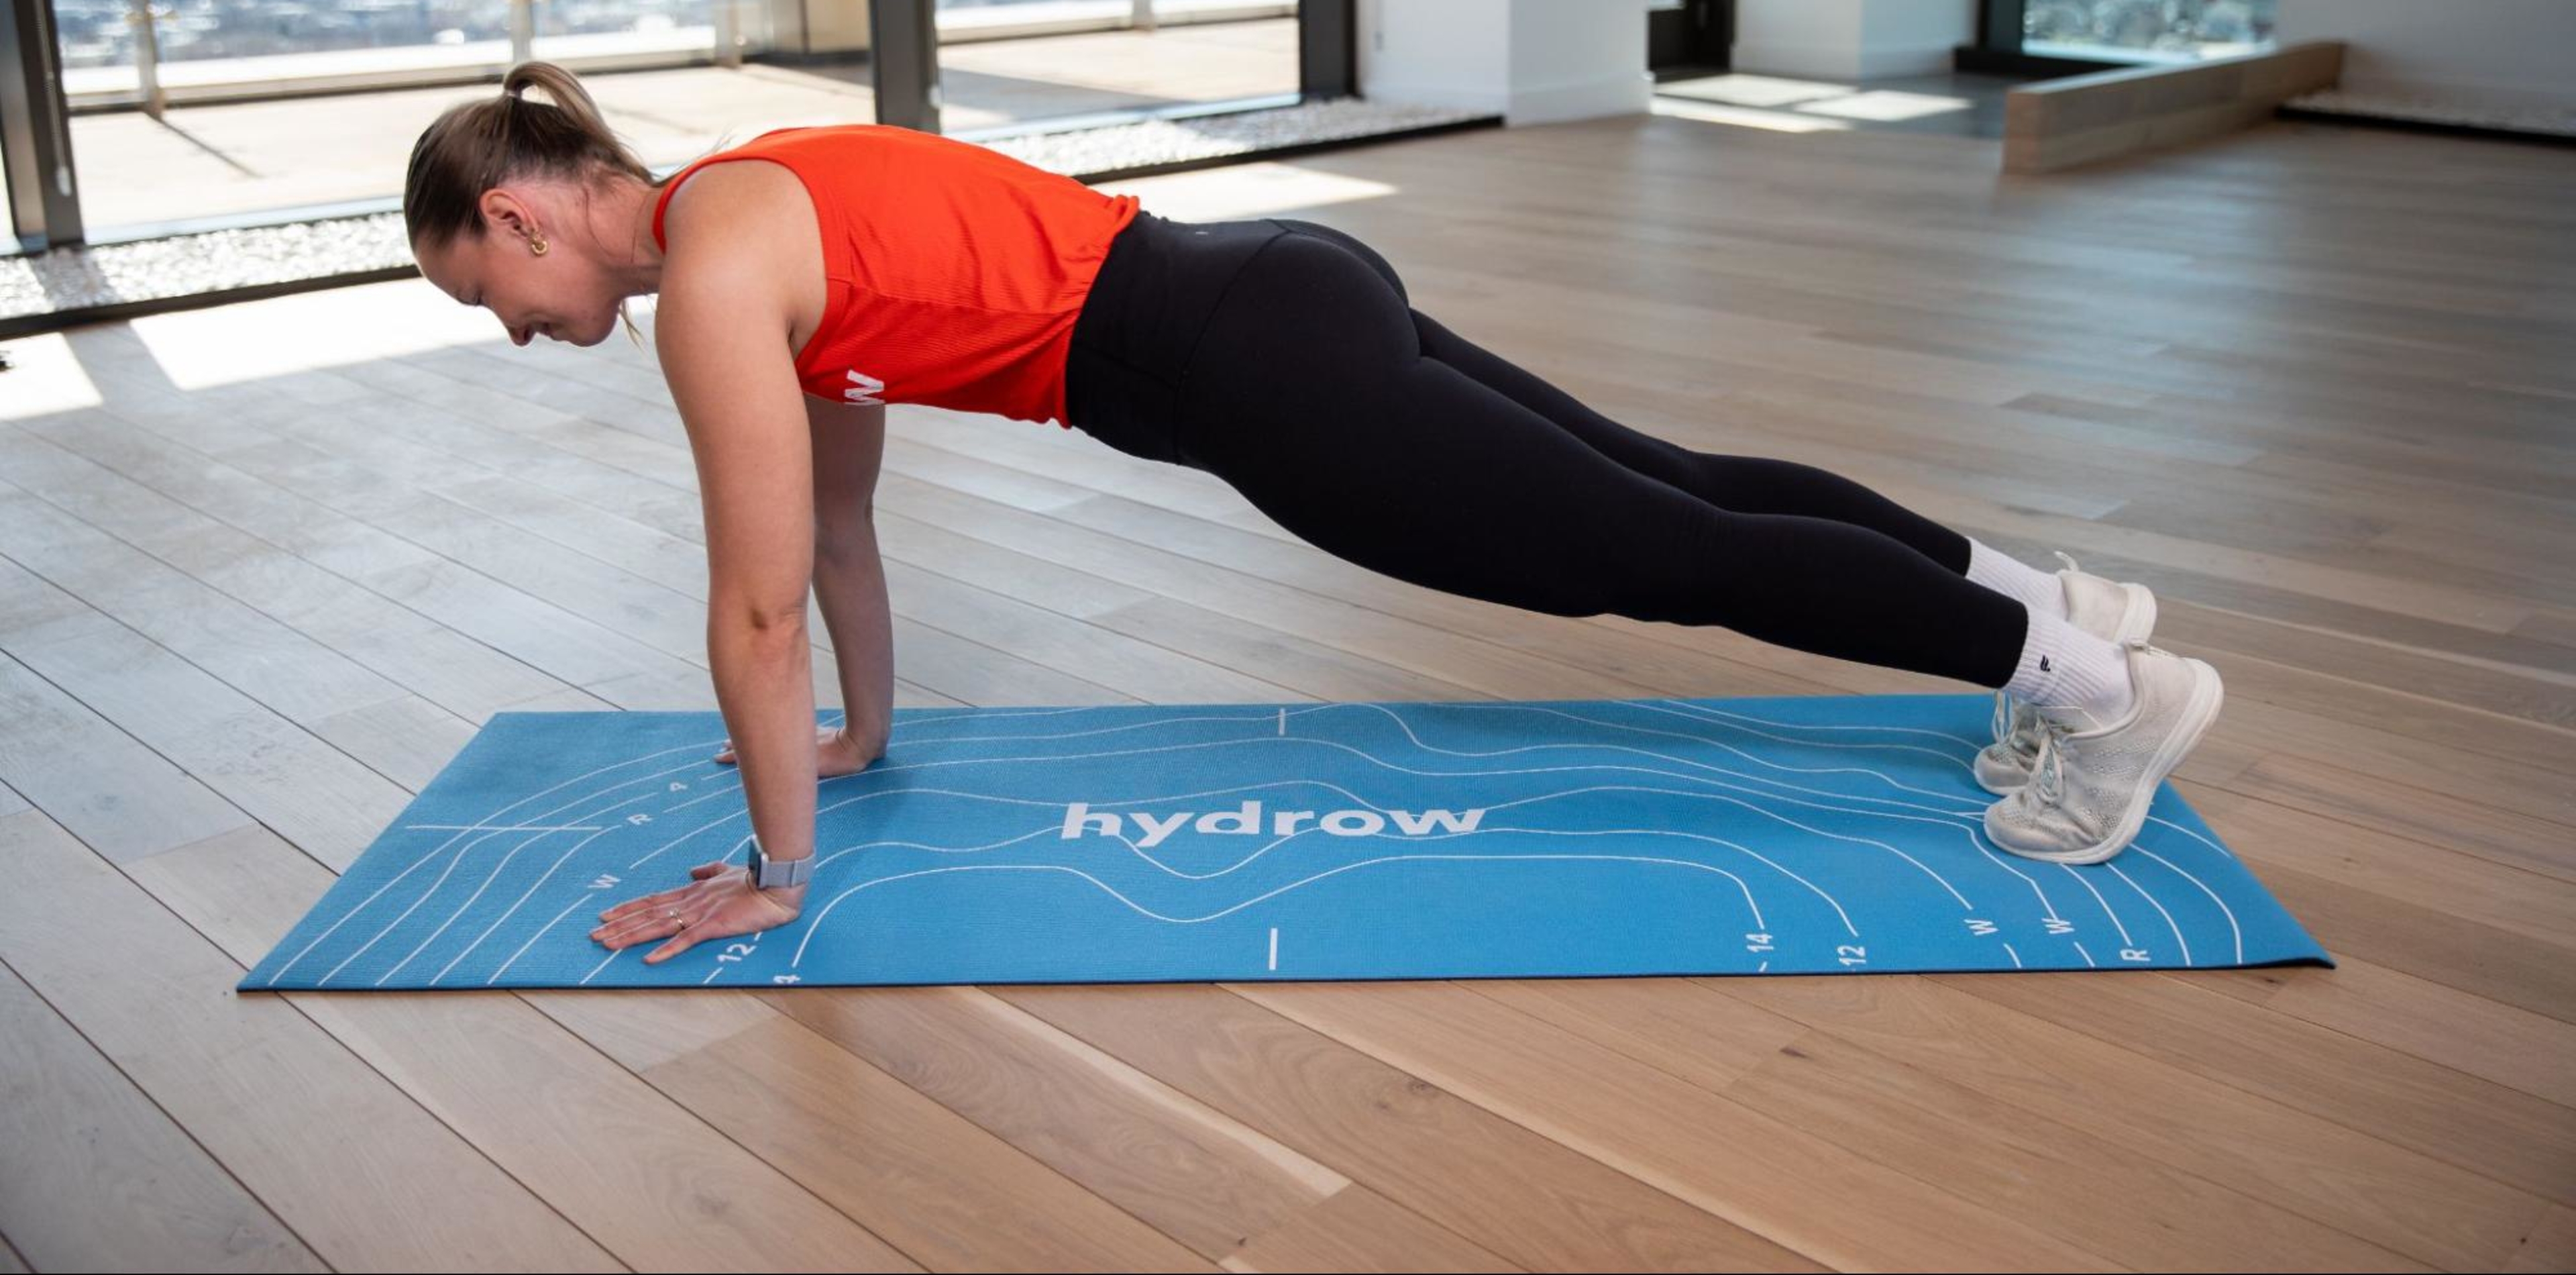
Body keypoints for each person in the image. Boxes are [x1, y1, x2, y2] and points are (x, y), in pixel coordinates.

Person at [402, 61, 2225, 968]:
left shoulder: (716, 281)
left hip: (1252, 371)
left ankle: (2094, 689)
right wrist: (863, 735)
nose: (515, 331)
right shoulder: (755, 204)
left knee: (1652, 550)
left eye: (485, 295)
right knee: (1673, 483)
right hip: (1269, 282)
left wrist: (775, 876)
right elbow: (839, 541)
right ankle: (2055, 601)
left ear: (522, 216)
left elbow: (750, 611)